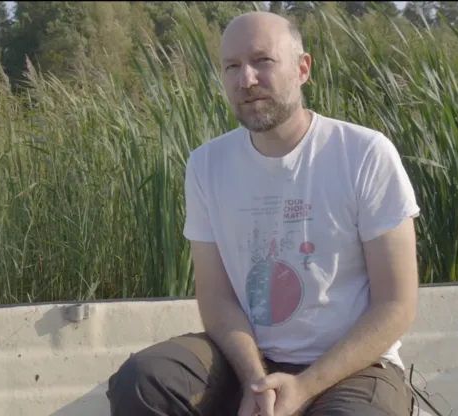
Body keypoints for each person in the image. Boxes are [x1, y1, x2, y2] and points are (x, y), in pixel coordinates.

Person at [106, 10, 420, 416]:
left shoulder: (364, 154)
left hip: (355, 365)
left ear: (302, 68)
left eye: (262, 61)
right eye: (231, 67)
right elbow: (216, 298)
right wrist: (256, 379)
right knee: (143, 380)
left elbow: (396, 304)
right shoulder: (206, 165)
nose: (246, 80)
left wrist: (304, 386)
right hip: (246, 358)